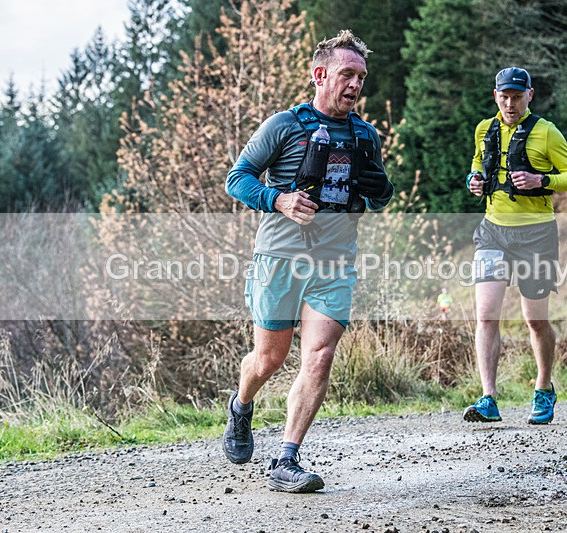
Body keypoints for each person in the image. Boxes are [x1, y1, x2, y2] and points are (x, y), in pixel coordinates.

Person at [223, 30, 394, 493]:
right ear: (320, 75)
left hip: (335, 262)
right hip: (280, 257)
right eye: (347, 74)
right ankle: (241, 405)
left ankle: (286, 458)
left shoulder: (365, 136)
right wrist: (278, 200)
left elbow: (379, 196)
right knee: (269, 358)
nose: (355, 84)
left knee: (319, 355)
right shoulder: (284, 126)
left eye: (361, 77)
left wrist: (380, 189)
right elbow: (237, 179)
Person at [464, 67, 567, 425]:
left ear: (530, 95)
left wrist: (540, 180)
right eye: (504, 97)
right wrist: (474, 179)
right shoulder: (484, 129)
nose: (510, 104)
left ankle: (544, 387)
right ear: (495, 96)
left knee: (535, 320)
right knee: (486, 314)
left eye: (517, 97)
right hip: (492, 233)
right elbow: (477, 163)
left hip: (536, 235)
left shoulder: (546, 132)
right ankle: (488, 397)